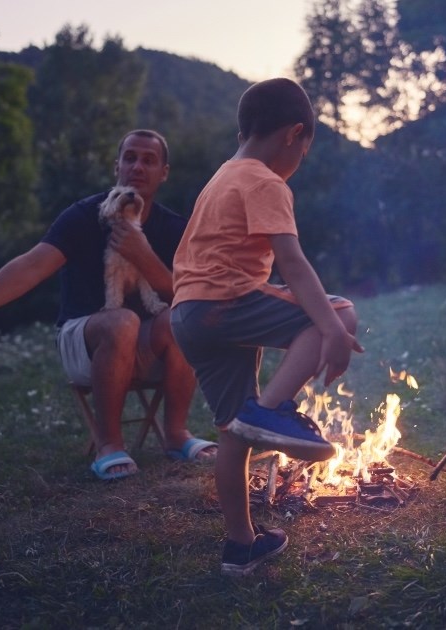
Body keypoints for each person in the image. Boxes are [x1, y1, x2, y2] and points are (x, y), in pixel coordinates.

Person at [170, 78, 364, 576]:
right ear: (294, 134)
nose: (300, 160)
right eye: (305, 149)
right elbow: (293, 264)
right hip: (225, 300)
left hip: (189, 314)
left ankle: (241, 546)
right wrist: (335, 333)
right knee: (339, 313)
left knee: (233, 431)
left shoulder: (222, 176)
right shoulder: (264, 180)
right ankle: (272, 411)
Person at [0, 130, 213, 480]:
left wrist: (144, 257)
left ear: (164, 172)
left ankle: (177, 435)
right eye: (130, 157)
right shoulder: (84, 216)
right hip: (84, 340)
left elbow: (193, 292)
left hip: (148, 348)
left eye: (149, 160)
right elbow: (33, 264)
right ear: (116, 166)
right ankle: (109, 445)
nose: (137, 167)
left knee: (182, 315)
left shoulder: (173, 226)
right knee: (122, 321)